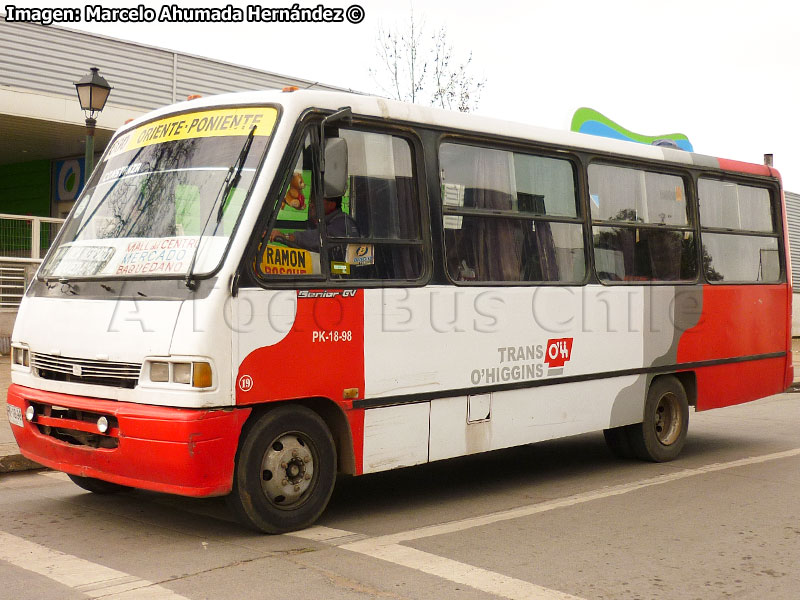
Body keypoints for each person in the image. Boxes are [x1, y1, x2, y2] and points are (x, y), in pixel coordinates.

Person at [270, 196, 358, 252]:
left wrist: (287, 237)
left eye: (316, 201)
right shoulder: (319, 222)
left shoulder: (343, 223)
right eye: (311, 201)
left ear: (331, 205)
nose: (311, 205)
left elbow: (319, 238)